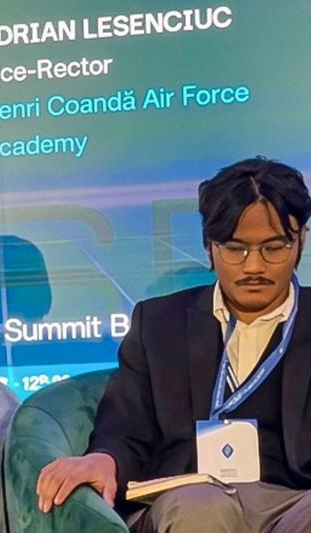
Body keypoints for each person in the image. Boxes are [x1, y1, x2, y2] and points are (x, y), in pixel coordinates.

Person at [36, 157, 311, 532]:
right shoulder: (159, 324)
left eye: (274, 248)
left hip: (293, 499)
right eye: (235, 249)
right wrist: (104, 459)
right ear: (209, 246)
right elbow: (125, 429)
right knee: (199, 509)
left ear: (301, 240)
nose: (254, 267)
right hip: (190, 495)